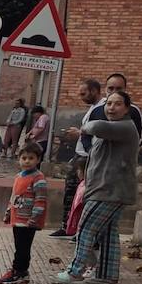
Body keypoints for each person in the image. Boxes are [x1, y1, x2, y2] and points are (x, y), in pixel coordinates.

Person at [53, 91, 141, 284]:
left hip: (109, 191)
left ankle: (75, 272)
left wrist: (82, 129)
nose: (111, 107)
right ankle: (107, 275)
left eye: (117, 104)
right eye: (109, 103)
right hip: (105, 189)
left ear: (127, 108)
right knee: (108, 233)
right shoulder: (111, 129)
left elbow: (96, 125)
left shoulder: (125, 127)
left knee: (85, 229)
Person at [48, 79, 104, 238]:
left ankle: (78, 230)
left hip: (88, 156)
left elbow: (97, 133)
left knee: (82, 194)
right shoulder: (93, 108)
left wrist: (79, 134)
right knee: (71, 191)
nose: (81, 97)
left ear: (94, 90)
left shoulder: (101, 108)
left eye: (83, 93)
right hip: (80, 154)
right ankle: (68, 226)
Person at [0, 142, 50, 284]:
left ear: (38, 160)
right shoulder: (19, 176)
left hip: (28, 221)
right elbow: (14, 196)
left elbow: (40, 200)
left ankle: (18, 272)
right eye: (24, 158)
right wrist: (8, 212)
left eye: (31, 158)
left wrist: (34, 218)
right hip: (17, 218)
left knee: (23, 248)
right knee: (19, 246)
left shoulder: (38, 178)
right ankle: (20, 271)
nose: (27, 161)